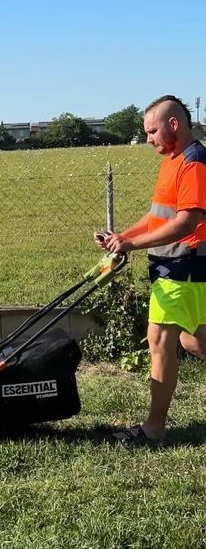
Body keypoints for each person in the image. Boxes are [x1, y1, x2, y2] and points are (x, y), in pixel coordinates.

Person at [96, 95, 206, 444]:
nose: (148, 139)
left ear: (174, 124)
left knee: (160, 341)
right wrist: (121, 236)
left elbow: (186, 222)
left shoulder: (194, 162)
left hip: (183, 267)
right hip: (172, 268)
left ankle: (154, 428)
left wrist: (131, 246)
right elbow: (158, 215)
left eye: (151, 131)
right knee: (195, 342)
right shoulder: (172, 160)